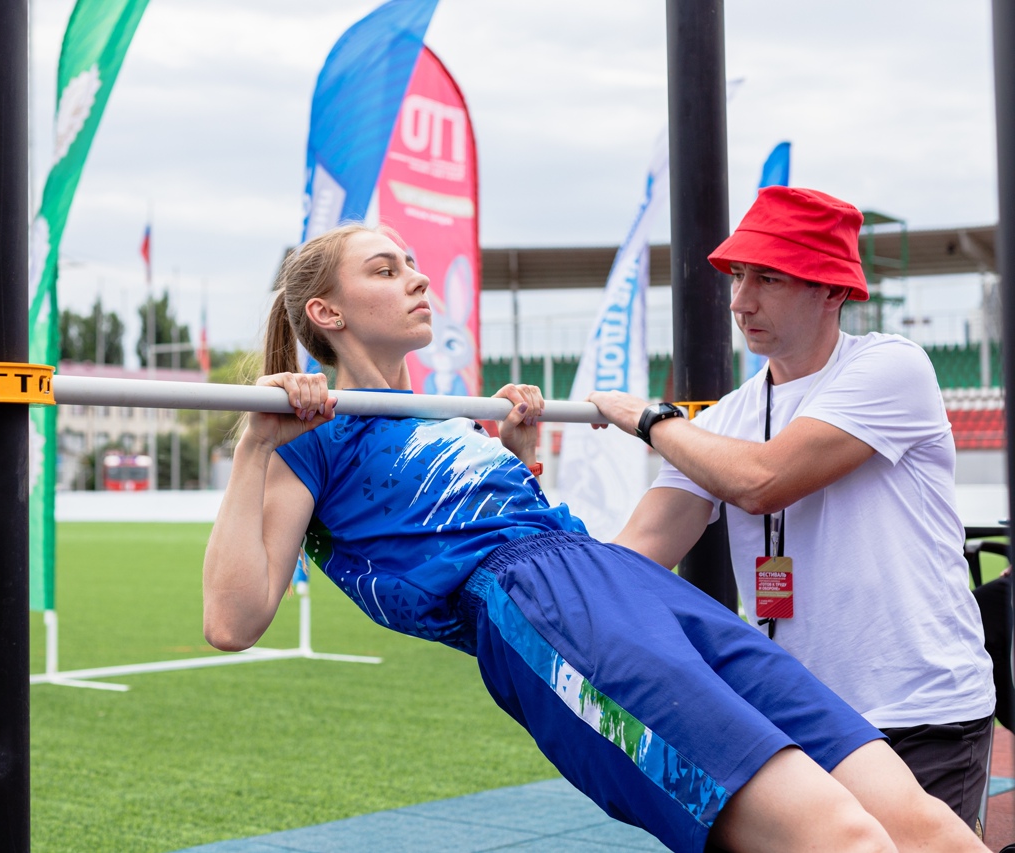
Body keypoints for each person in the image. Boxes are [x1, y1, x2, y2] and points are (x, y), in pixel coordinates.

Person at [203, 222, 985, 853]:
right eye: (384, 268)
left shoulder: (443, 412)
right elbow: (232, 621)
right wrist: (254, 445)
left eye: (412, 261)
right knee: (841, 836)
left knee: (925, 829)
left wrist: (515, 455)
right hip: (546, 608)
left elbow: (502, 524)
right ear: (326, 313)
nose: (416, 276)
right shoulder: (308, 436)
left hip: (615, 579)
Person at [588, 186, 996, 835]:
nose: (741, 298)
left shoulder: (892, 366)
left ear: (833, 290)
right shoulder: (727, 418)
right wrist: (522, 467)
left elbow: (763, 481)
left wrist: (649, 419)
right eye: (738, 274)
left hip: (922, 711)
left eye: (769, 278)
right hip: (806, 724)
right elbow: (631, 556)